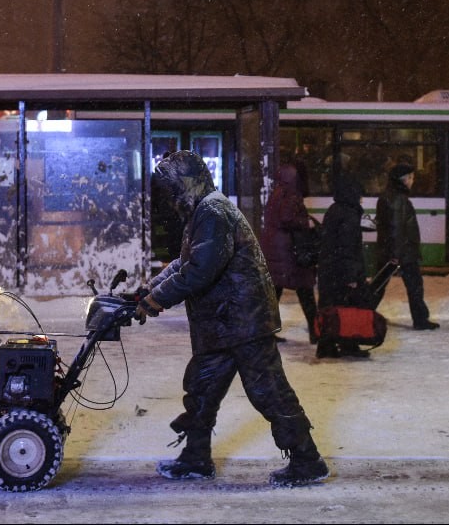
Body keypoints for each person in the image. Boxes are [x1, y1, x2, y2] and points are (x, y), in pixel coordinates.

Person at [135, 150, 330, 488]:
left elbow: (200, 270)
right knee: (202, 387)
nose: (169, 196)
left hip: (244, 321)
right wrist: (148, 289)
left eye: (172, 187)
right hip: (223, 322)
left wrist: (155, 300)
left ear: (187, 183)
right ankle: (196, 458)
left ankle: (307, 460)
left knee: (268, 391)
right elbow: (185, 262)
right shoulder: (202, 210)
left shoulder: (213, 212)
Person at [375, 162, 439, 331]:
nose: (412, 181)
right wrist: (396, 254)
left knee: (378, 285)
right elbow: (397, 228)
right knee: (414, 285)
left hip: (391, 250)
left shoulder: (388, 196)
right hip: (403, 251)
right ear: (403, 179)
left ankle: (362, 311)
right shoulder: (399, 199)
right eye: (411, 177)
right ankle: (420, 320)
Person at [259, 163, 319, 344]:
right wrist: (306, 222)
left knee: (275, 292)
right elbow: (287, 218)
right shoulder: (291, 194)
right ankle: (316, 332)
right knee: (305, 289)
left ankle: (266, 332)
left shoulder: (277, 192)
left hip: (276, 250)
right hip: (289, 252)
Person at [316, 174, 371, 358]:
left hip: (329, 269)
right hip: (341, 272)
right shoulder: (349, 214)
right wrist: (351, 277)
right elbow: (347, 248)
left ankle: (327, 346)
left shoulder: (335, 210)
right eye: (360, 194)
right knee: (347, 309)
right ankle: (347, 345)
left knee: (330, 309)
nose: (362, 198)